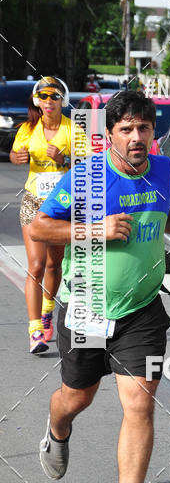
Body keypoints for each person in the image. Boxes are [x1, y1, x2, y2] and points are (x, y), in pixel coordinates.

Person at [30, 90, 170, 483]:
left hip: (142, 311)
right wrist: (95, 228)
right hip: (89, 304)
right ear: (110, 134)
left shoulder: (164, 169)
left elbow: (163, 214)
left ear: (154, 132)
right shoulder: (88, 177)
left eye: (144, 129)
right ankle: (57, 428)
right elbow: (39, 226)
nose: (137, 137)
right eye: (127, 129)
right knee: (77, 397)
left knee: (139, 402)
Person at [10, 77, 74, 354]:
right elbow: (14, 154)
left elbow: (89, 166)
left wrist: (64, 160)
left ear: (63, 100)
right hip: (33, 201)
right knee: (35, 265)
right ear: (37, 100)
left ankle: (48, 308)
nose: (49, 101)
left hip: (61, 205)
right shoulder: (27, 128)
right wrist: (18, 158)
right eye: (44, 96)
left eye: (55, 96)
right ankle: (35, 329)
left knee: (53, 264)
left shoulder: (73, 130)